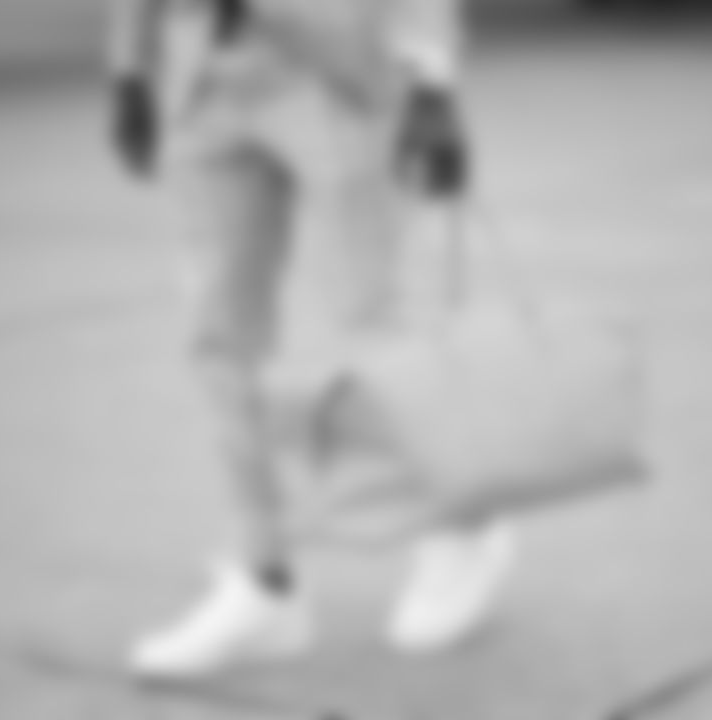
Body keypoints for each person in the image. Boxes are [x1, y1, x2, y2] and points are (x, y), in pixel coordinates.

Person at [108, 0, 512, 677]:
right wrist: (128, 63)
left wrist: (432, 74)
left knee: (380, 325)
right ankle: (265, 579)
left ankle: (462, 530)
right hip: (200, 69)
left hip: (337, 64)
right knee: (218, 336)